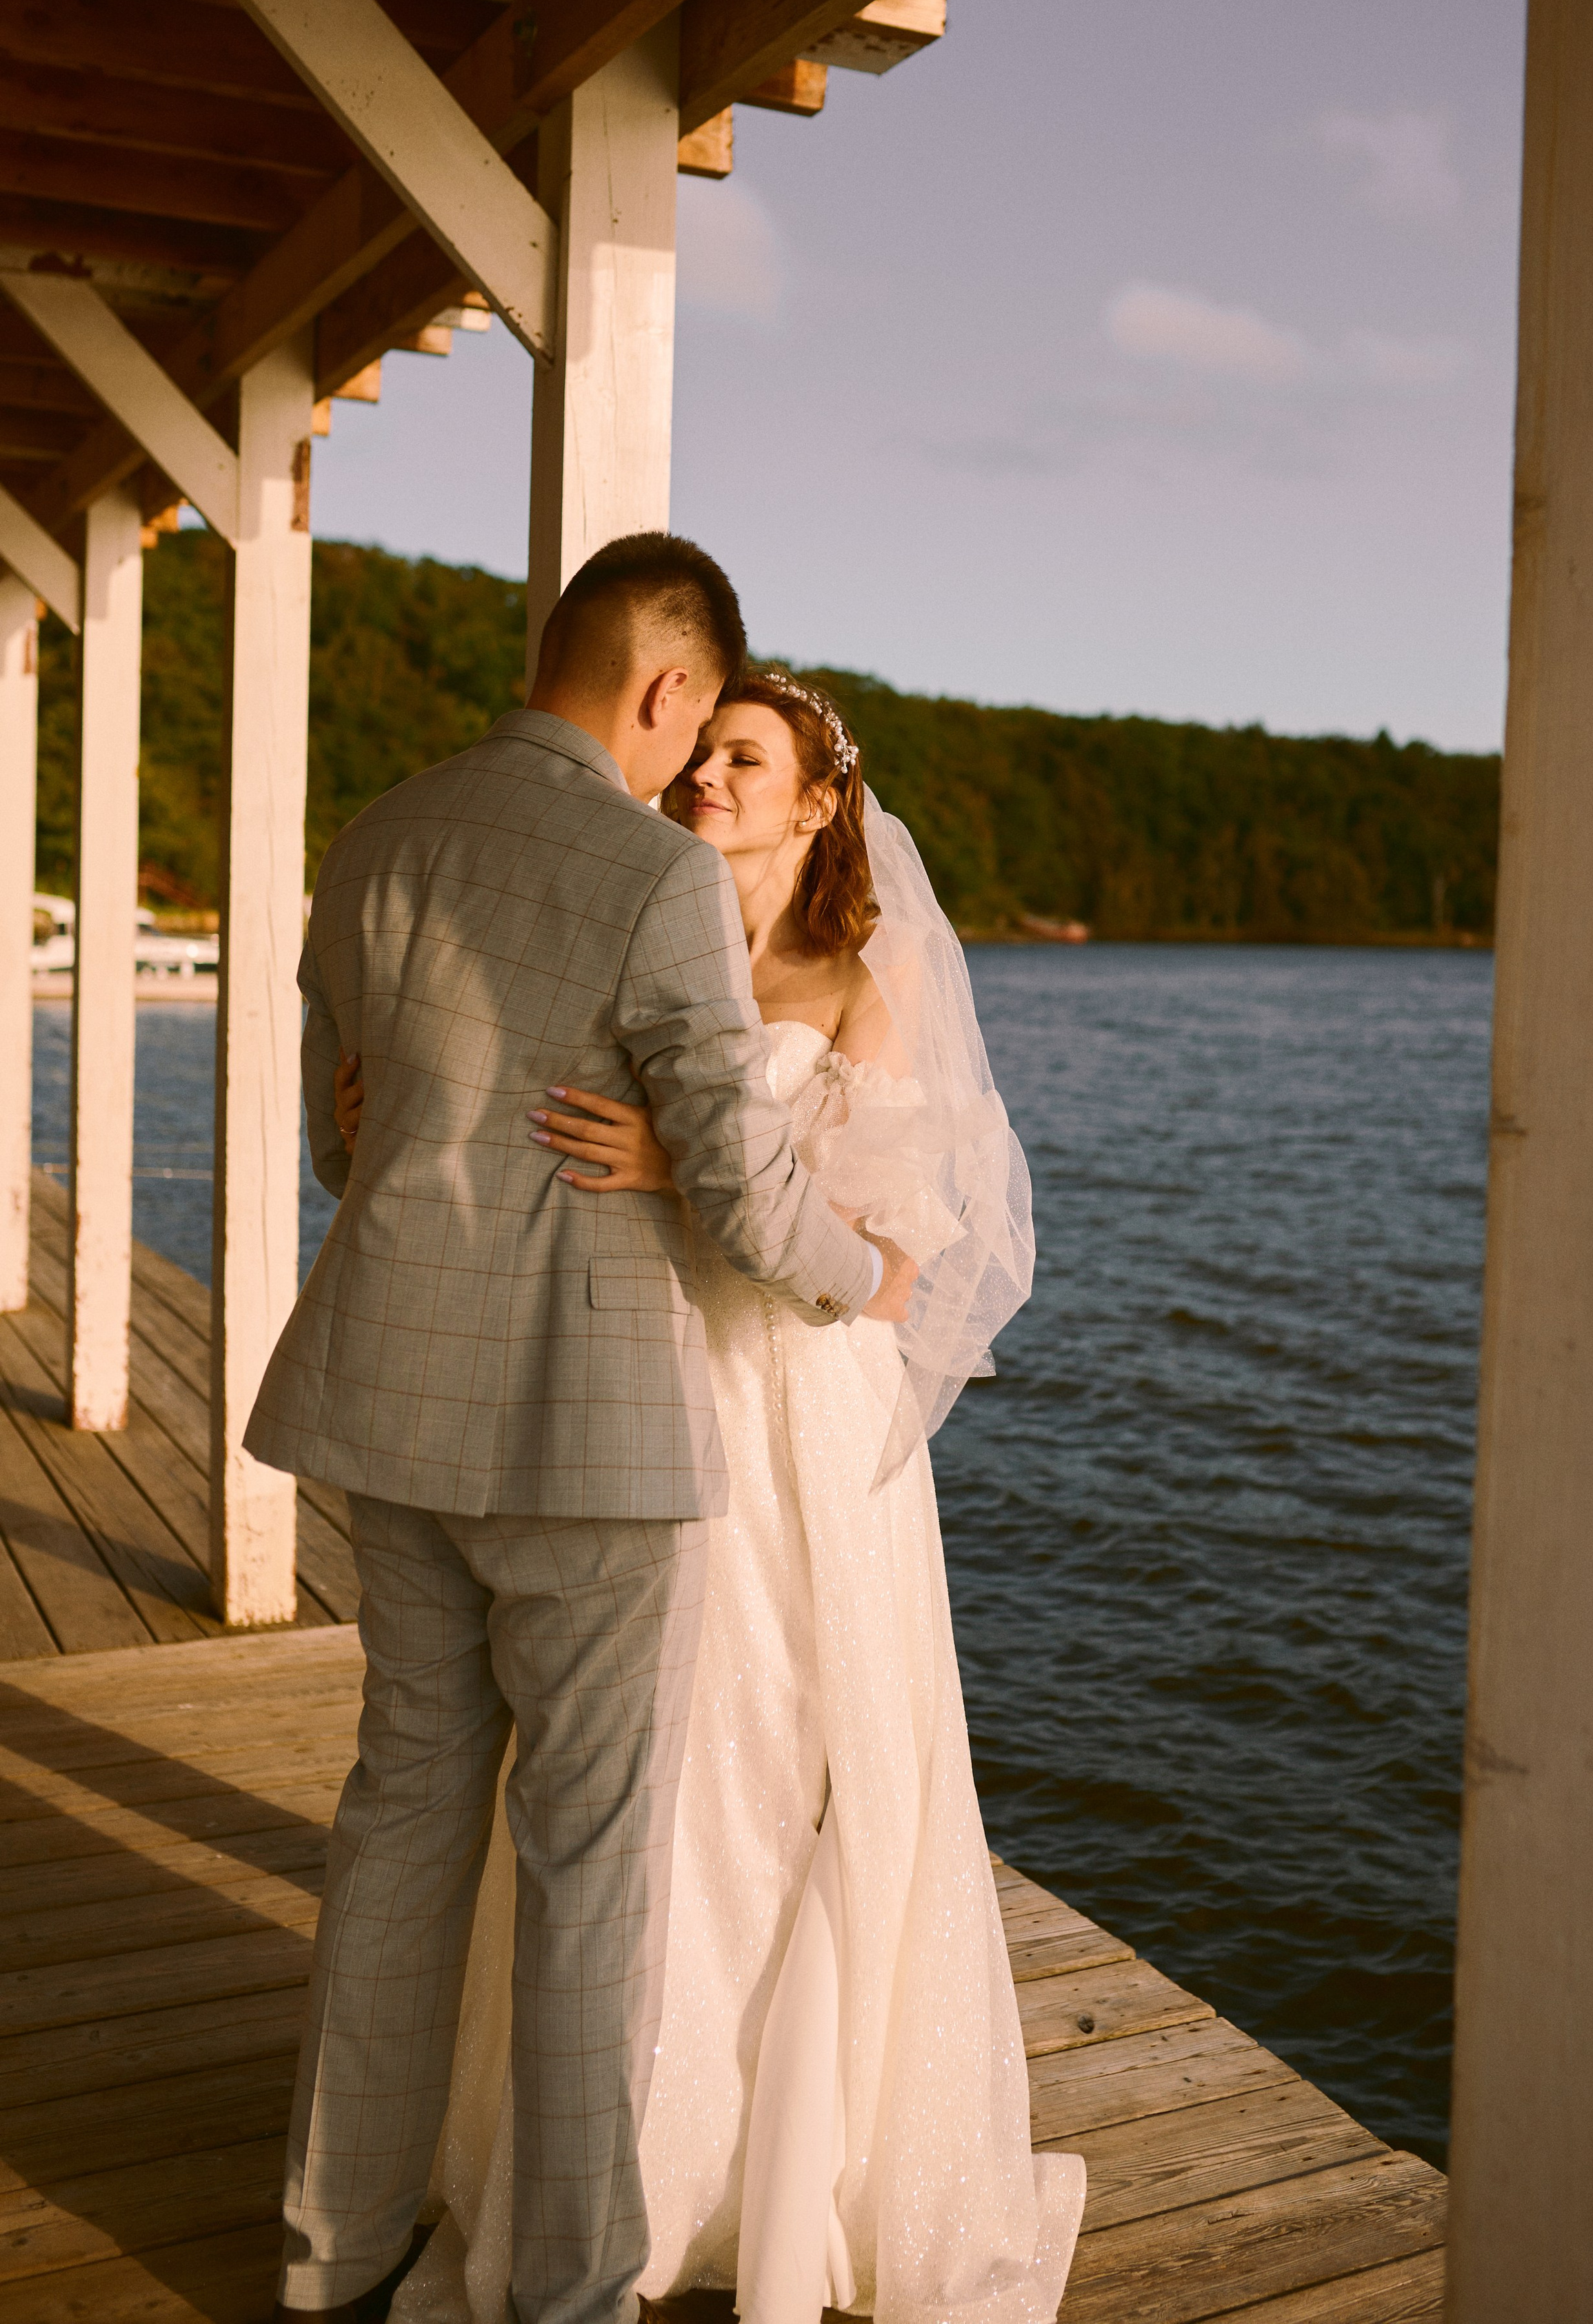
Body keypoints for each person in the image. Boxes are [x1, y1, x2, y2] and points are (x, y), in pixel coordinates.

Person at [337, 674, 1085, 2324]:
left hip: (793, 1429)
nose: (703, 780)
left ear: (818, 802)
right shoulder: (634, 944)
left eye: (744, 761)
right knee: (635, 1785)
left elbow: (900, 1279)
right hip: (628, 1391)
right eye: (701, 752)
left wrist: (696, 1176)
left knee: (782, 1769)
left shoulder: (855, 987)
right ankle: (626, 2175)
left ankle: (784, 2162)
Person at [244, 540, 916, 2324]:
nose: (682, 764)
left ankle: (331, 2258)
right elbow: (754, 1204)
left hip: (389, 1410)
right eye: (691, 723)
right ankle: (566, 2297)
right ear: (669, 684)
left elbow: (345, 1141)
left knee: (399, 1827)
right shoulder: (651, 879)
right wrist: (875, 1282)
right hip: (591, 1442)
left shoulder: (375, 834)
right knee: (590, 1872)